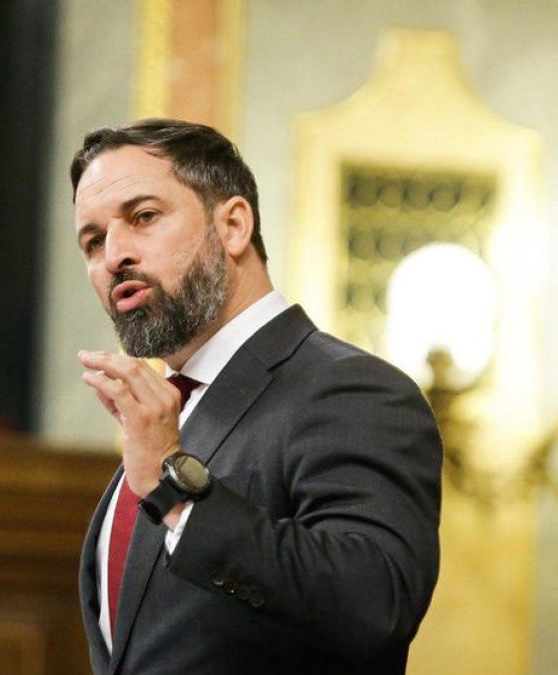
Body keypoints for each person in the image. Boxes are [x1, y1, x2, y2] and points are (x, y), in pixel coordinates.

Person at [70, 119, 441, 674]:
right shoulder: (173, 413)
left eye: (143, 217)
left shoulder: (350, 391)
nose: (114, 254)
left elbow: (374, 605)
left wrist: (177, 492)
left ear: (234, 225)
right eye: (94, 241)